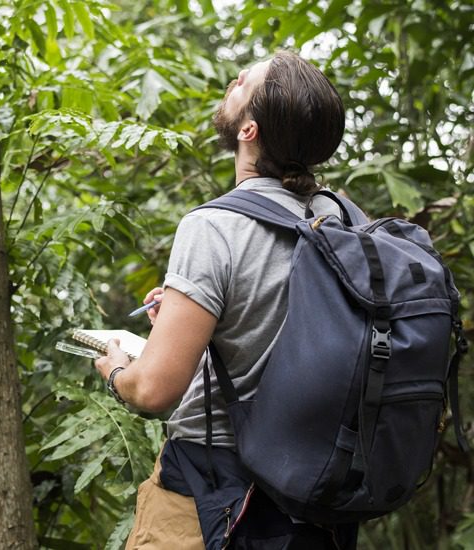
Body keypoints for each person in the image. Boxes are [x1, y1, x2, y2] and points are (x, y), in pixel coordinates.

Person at [94, 51, 359, 549]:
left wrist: (114, 369)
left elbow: (153, 392)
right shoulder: (343, 220)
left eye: (243, 82)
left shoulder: (215, 226)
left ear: (249, 131)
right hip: (317, 494)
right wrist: (188, 321)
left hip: (210, 493)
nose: (232, 80)